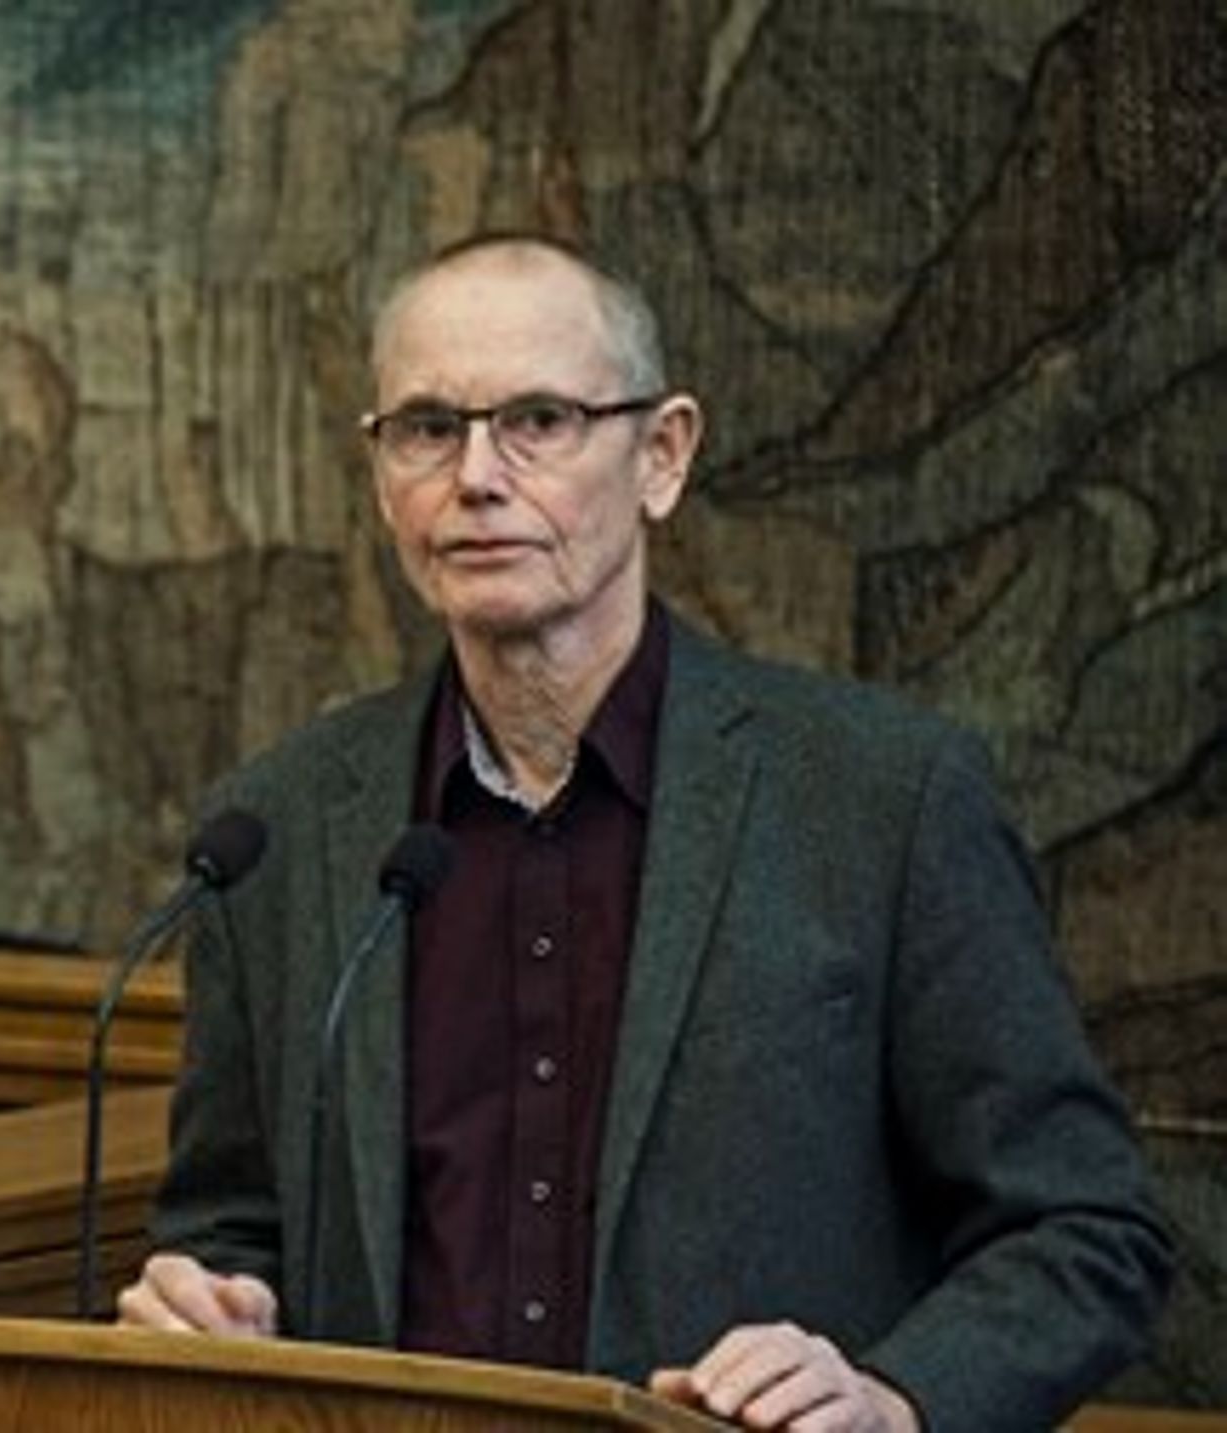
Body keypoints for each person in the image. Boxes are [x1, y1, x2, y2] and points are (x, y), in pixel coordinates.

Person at [116, 235, 1173, 1431]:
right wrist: (211, 1299)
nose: (474, 475)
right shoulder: (283, 825)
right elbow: (229, 1220)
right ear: (378, 472)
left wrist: (892, 1396)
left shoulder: (883, 798)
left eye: (538, 420)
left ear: (660, 456)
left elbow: (1085, 1229)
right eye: (425, 427)